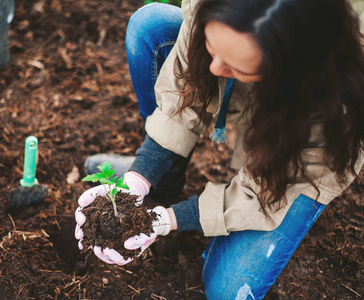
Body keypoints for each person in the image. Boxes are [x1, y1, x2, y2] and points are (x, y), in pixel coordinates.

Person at [75, 0, 364, 298]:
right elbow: (183, 93)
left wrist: (171, 219)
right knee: (153, 27)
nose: (214, 69)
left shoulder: (334, 103)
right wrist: (142, 174)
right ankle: (163, 180)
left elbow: (266, 195)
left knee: (228, 291)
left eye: (234, 65)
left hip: (294, 166)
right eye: (212, 48)